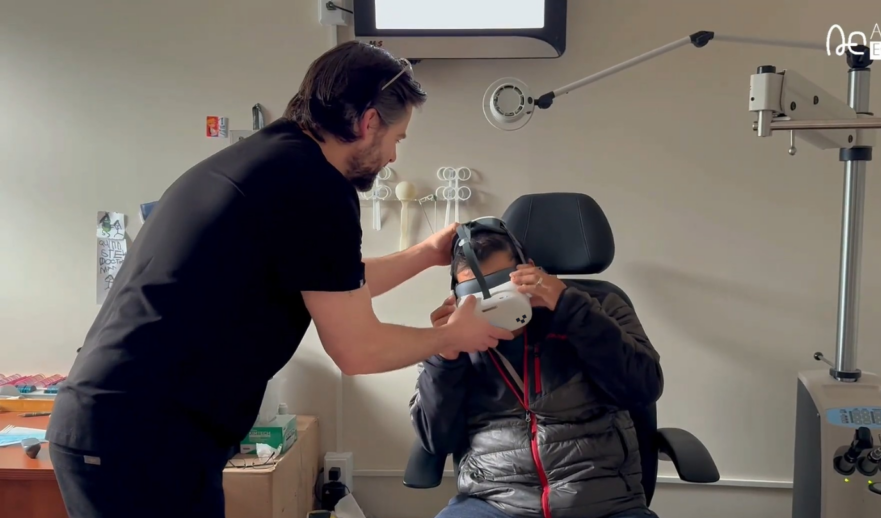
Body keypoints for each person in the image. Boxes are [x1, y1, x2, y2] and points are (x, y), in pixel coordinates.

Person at [46, 41, 513, 518]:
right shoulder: (317, 187)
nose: (393, 155)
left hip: (128, 425)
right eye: (398, 138)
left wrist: (423, 254)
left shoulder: (273, 161)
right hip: (142, 436)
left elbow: (333, 285)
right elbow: (357, 349)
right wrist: (452, 335)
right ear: (368, 122)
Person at [409, 228, 665, 518]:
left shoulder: (600, 308)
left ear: (529, 268)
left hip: (602, 501)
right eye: (476, 294)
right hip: (493, 501)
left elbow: (643, 388)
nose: (492, 301)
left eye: (501, 284)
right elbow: (437, 441)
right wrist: (445, 356)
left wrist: (573, 311)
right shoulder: (457, 336)